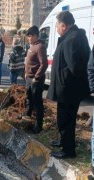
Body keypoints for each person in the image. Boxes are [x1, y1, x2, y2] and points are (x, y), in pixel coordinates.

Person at [47, 11, 91, 159]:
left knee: (66, 121)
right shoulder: (73, 36)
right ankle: (63, 142)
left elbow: (76, 68)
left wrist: (66, 84)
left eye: (57, 26)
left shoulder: (72, 39)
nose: (57, 29)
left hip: (68, 91)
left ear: (64, 26)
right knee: (64, 119)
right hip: (67, 90)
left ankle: (68, 150)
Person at [20, 26, 48, 134]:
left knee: (37, 103)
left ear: (35, 36)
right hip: (29, 78)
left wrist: (36, 77)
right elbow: (28, 61)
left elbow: (44, 64)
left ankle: (38, 125)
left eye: (30, 36)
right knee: (29, 99)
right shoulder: (31, 46)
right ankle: (27, 115)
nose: (28, 38)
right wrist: (26, 73)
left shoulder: (40, 47)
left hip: (36, 80)